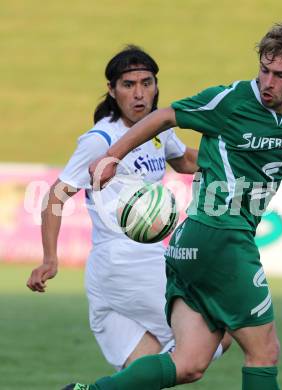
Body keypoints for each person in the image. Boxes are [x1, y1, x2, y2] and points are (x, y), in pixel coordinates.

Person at [66, 23, 282, 390]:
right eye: (264, 71)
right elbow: (165, 115)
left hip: (192, 246)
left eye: (280, 75)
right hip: (223, 236)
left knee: (188, 363)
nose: (268, 82)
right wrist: (111, 156)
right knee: (264, 352)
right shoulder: (230, 100)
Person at [26, 45, 231, 373]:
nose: (139, 93)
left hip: (144, 262)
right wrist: (50, 258)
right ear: (112, 90)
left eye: (146, 83)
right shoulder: (100, 139)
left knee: (144, 371)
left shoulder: (156, 129)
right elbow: (55, 196)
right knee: (213, 338)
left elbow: (184, 160)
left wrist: (235, 160)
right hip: (122, 263)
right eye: (128, 84)